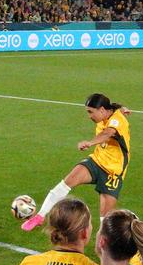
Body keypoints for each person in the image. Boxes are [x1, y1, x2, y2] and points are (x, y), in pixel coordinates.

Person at [22, 93, 131, 231]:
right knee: (67, 181)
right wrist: (122, 108)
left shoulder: (118, 120)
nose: (89, 116)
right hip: (97, 161)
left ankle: (105, 248)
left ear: (102, 110)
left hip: (113, 172)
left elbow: (107, 133)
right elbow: (115, 109)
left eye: (91, 112)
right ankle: (40, 216)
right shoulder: (109, 113)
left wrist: (90, 142)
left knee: (105, 221)